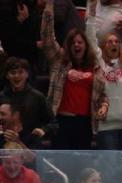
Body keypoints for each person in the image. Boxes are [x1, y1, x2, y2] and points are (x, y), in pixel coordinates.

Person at [41, 0, 107, 150]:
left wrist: (104, 106)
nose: (76, 45)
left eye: (80, 42)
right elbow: (47, 38)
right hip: (62, 122)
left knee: (81, 168)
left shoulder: (95, 67)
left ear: (86, 45)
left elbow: (102, 95)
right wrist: (49, 7)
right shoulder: (59, 62)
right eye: (73, 43)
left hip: (85, 124)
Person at [85, 0, 122, 150]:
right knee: (110, 169)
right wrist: (90, 15)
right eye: (109, 42)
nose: (114, 44)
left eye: (116, 41)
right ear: (103, 46)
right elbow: (90, 38)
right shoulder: (99, 62)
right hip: (106, 127)